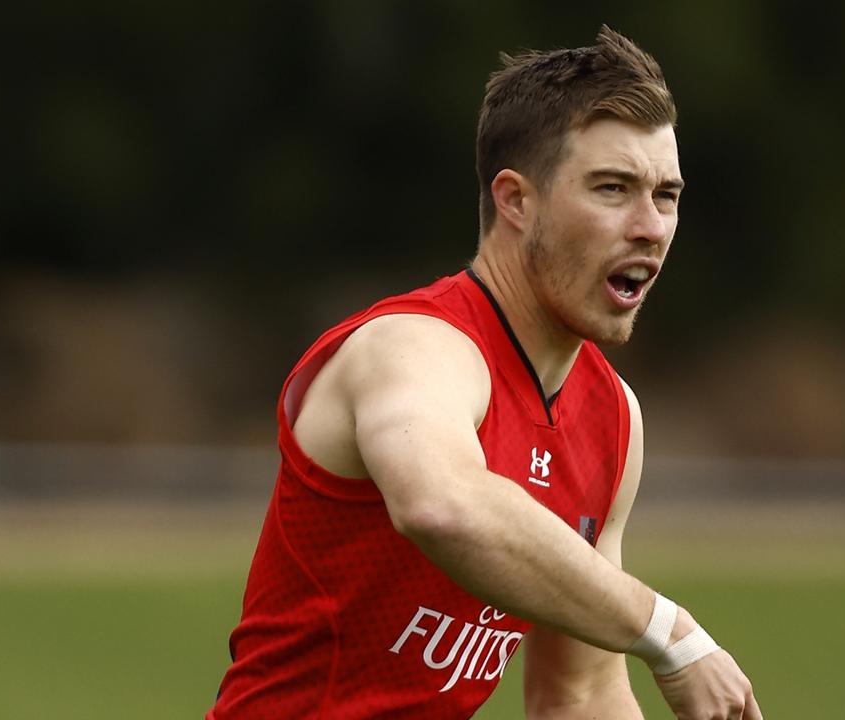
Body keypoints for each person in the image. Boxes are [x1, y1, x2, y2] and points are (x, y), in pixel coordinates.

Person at [208, 25, 761, 720]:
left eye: (667, 195)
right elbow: (442, 504)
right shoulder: (413, 348)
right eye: (613, 188)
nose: (650, 225)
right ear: (516, 201)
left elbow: (578, 693)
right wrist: (671, 633)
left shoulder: (613, 417)